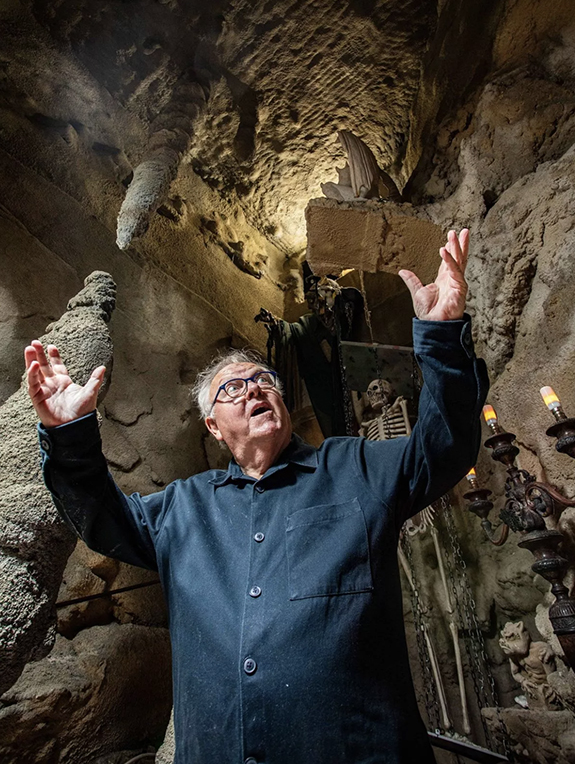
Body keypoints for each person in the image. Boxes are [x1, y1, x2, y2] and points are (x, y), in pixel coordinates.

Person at [26, 229, 488, 764]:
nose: (252, 388)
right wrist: (68, 435)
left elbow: (444, 447)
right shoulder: (182, 509)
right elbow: (101, 520)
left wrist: (442, 337)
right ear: (214, 427)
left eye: (263, 379)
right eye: (231, 387)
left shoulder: (355, 467)